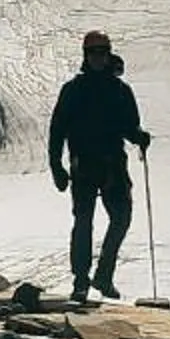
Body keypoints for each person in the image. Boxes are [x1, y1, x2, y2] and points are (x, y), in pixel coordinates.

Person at [47, 30, 150, 302]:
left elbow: (128, 126)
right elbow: (57, 130)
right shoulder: (76, 90)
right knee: (84, 222)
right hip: (85, 165)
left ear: (108, 54)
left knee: (120, 217)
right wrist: (56, 166)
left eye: (101, 52)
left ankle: (103, 275)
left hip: (111, 164)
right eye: (93, 52)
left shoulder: (118, 91)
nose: (97, 57)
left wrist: (138, 136)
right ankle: (82, 281)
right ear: (86, 55)